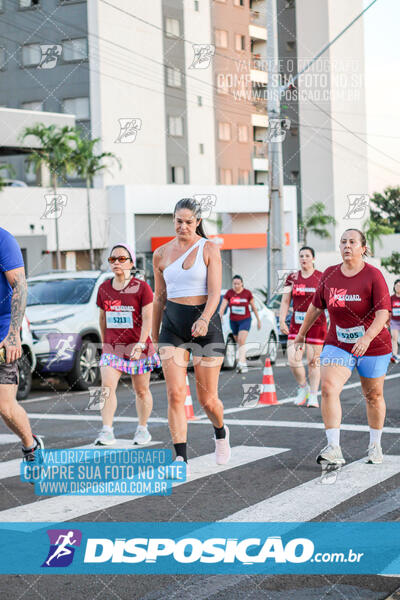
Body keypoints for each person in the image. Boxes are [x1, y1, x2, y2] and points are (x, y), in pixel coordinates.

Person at [294, 229, 392, 466]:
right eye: (343, 242)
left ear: (363, 248)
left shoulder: (373, 275)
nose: (347, 245)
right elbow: (316, 308)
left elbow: (383, 314)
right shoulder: (329, 274)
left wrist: (366, 338)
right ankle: (333, 448)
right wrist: (300, 335)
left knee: (373, 395)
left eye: (352, 242)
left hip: (373, 345)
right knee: (328, 388)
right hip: (339, 343)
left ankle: (375, 444)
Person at [152, 198, 230, 470]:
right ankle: (180, 456)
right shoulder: (160, 254)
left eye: (188, 222)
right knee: (175, 394)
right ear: (173, 220)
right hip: (172, 328)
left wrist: (205, 319)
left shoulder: (209, 248)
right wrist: (153, 337)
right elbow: (159, 298)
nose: (182, 226)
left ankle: (220, 432)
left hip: (206, 329)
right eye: (178, 221)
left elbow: (215, 293)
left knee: (207, 400)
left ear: (197, 222)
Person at [94, 243, 160, 445]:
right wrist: (106, 344)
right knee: (106, 386)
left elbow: (148, 318)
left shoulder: (142, 288)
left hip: (138, 347)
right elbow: (103, 319)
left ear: (131, 263)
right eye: (113, 259)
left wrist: (141, 344)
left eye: (122, 259)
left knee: (141, 390)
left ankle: (142, 428)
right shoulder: (104, 288)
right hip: (113, 347)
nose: (117, 263)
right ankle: (107, 430)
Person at [0, 227, 43, 465]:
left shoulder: (3, 239)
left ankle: (30, 444)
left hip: (3, 333)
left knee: (5, 407)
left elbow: (20, 286)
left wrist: (14, 334)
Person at [279, 246, 327, 408]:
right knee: (293, 359)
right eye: (301, 256)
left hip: (317, 324)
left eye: (307, 255)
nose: (304, 258)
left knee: (314, 361)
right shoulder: (291, 278)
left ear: (313, 258)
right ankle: (303, 387)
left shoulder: (321, 277)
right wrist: (281, 320)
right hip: (296, 325)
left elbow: (329, 302)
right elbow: (285, 301)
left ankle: (313, 395)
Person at [219, 275, 261, 373]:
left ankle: (242, 363)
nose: (236, 286)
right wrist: (220, 315)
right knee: (238, 341)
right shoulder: (229, 293)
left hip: (245, 320)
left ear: (242, 283)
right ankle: (243, 360)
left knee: (242, 340)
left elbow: (254, 307)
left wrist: (258, 320)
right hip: (233, 321)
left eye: (238, 284)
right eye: (234, 284)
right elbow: (223, 305)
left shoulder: (247, 293)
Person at [390, 279, 400, 363]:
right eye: (397, 286)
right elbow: (389, 310)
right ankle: (394, 355)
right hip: (394, 322)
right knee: (394, 338)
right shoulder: (391, 298)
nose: (398, 287)